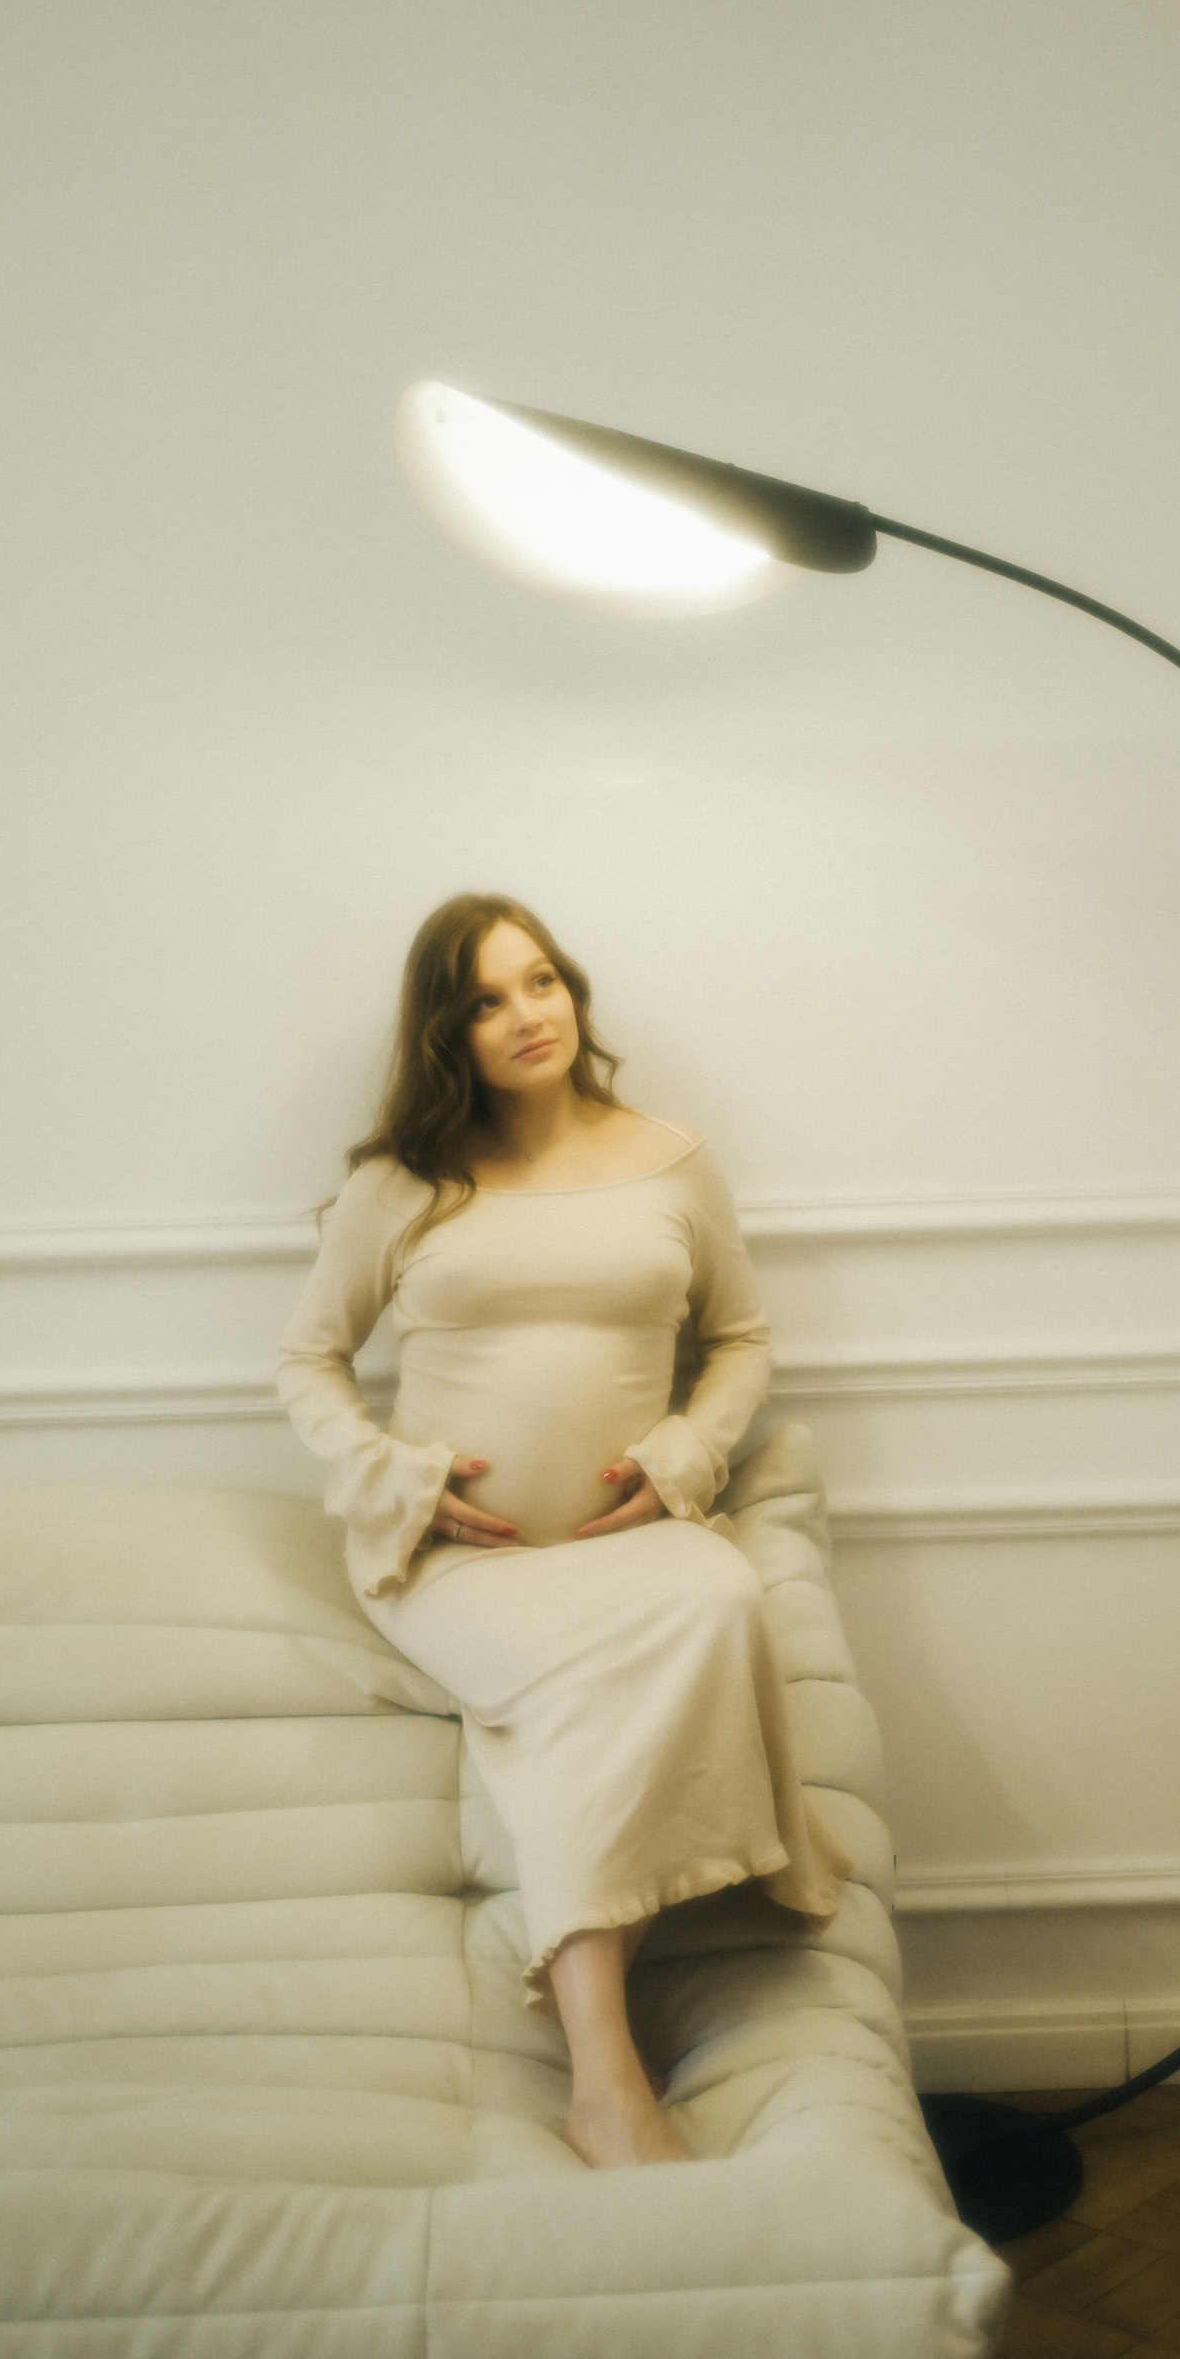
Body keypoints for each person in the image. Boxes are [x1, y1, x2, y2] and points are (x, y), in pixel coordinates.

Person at [276, 892, 851, 2169]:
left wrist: (687, 1455)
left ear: (571, 989)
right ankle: (605, 2078)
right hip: (453, 1565)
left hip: (626, 1544)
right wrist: (393, 1477)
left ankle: (604, 2052)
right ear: (449, 1033)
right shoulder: (401, 1184)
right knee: (591, 1691)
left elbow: (742, 1339)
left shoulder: (669, 1159)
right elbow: (308, 1358)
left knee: (723, 1598)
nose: (525, 1014)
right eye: (485, 1000)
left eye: (539, 980)